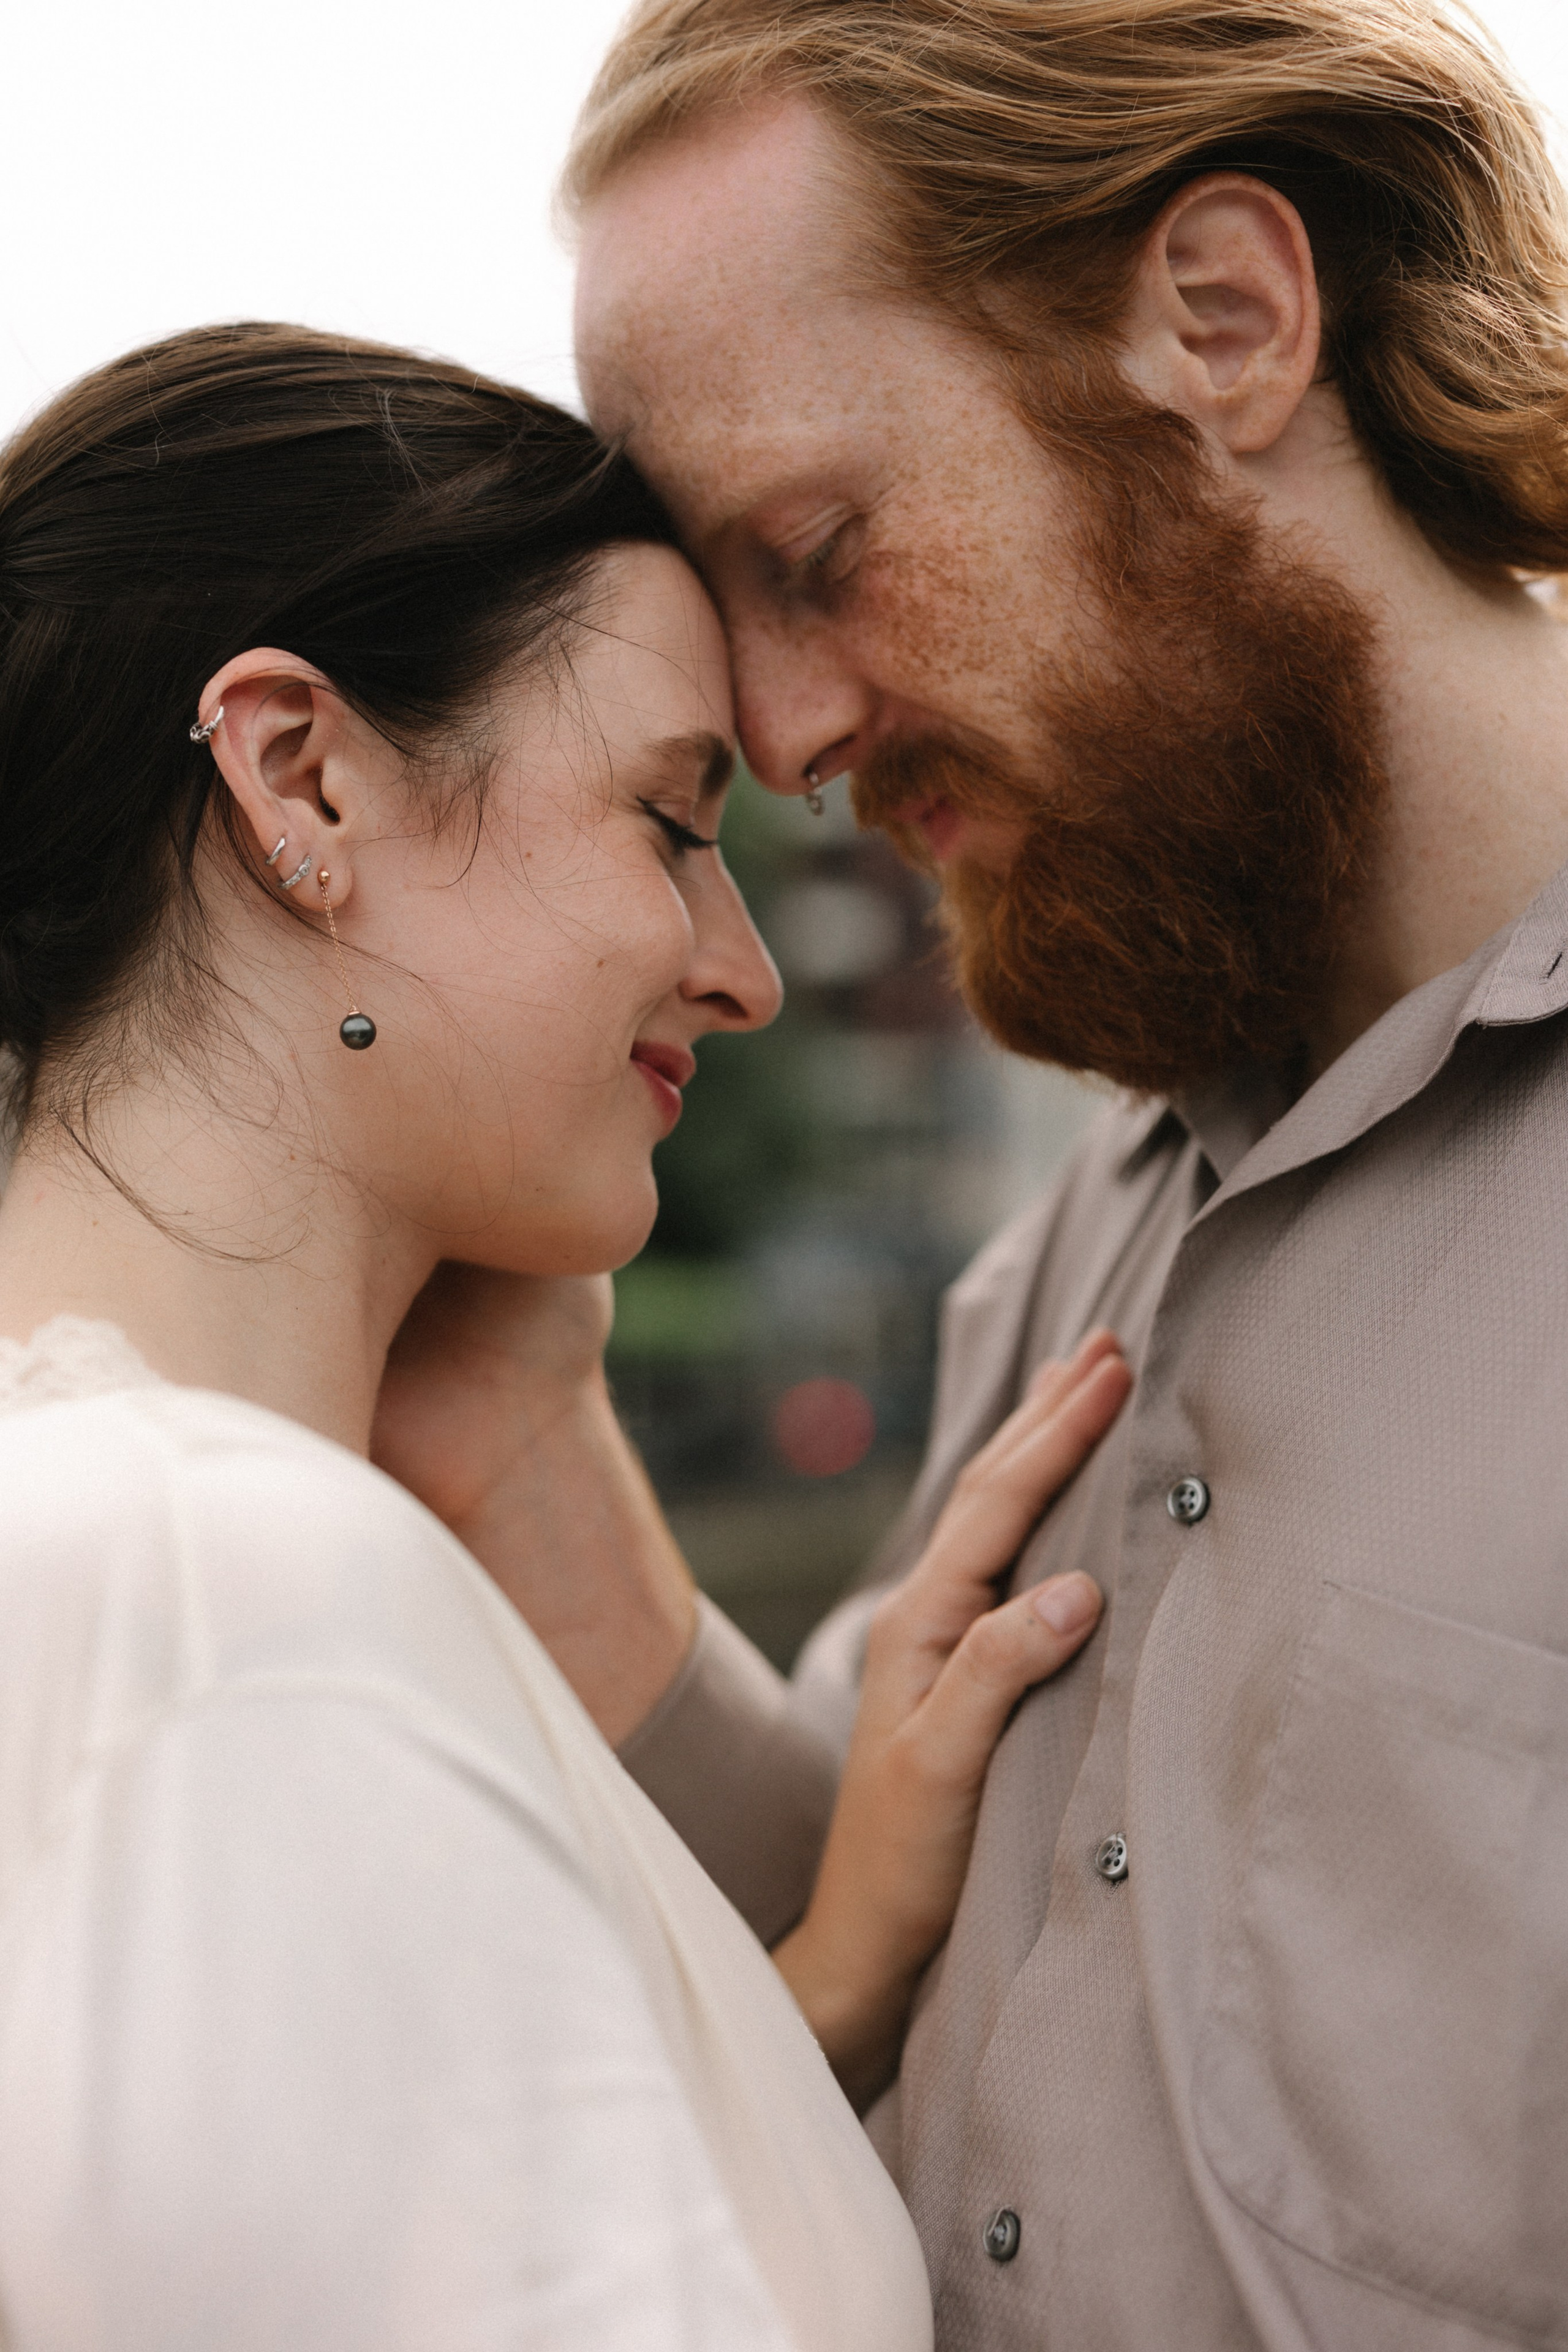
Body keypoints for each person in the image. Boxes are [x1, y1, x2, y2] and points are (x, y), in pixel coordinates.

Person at [392, 1, 1568, 2345]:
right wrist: (518, 1415)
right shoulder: (1081, 1243)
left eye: (819, 552)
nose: (793, 740)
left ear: (1221, 318)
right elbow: (876, 1901)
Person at [0, 322, 1138, 2351]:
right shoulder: (233, 1589)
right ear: (299, 776)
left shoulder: (123, 1544)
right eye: (672, 820)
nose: (749, 969)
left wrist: (824, 1991)